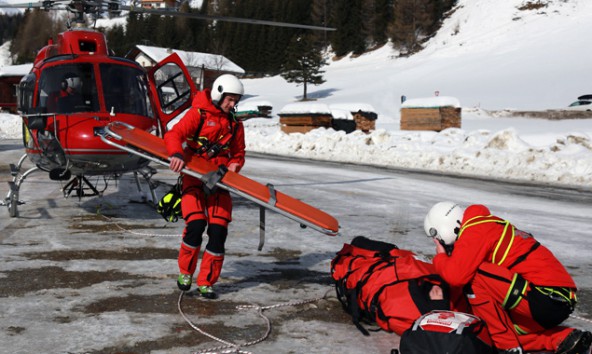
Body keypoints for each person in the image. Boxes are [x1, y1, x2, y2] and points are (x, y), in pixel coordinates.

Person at [423, 201, 592, 354]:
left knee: (473, 277)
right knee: (488, 331)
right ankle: (562, 338)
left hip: (547, 298)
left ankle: (508, 348)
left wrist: (440, 257)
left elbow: (456, 276)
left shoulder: (476, 229)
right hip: (551, 300)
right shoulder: (484, 224)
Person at [164, 74, 245, 299]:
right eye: (229, 99)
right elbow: (174, 134)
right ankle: (186, 272)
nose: (232, 104)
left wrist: (235, 164)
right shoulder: (198, 114)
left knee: (218, 232)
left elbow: (238, 153)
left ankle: (207, 281)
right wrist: (176, 153)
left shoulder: (235, 124)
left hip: (220, 180)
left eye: (235, 101)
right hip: (194, 176)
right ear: (219, 94)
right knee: (197, 224)